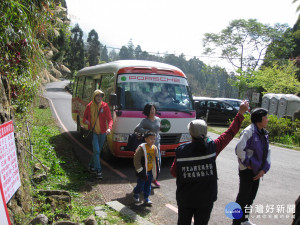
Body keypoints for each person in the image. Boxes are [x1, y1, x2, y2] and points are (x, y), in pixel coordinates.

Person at [170, 101, 249, 225]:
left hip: (185, 198)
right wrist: (240, 113)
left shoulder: (181, 151)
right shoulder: (213, 147)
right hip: (206, 199)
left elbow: (174, 172)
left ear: (190, 133)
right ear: (206, 133)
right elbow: (230, 133)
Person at [232, 108, 271, 225]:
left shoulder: (264, 133)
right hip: (247, 171)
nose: (267, 120)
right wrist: (248, 164)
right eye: (266, 117)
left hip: (258, 171)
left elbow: (268, 152)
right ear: (259, 119)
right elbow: (239, 149)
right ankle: (236, 221)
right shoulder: (249, 131)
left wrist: (263, 170)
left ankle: (244, 219)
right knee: (242, 198)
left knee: (251, 197)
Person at [83, 89, 113, 179]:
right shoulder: (89, 106)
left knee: (97, 151)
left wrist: (109, 128)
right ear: (94, 97)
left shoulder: (105, 106)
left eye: (101, 96)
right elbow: (84, 118)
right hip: (94, 132)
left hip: (103, 133)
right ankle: (98, 170)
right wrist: (86, 121)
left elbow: (110, 119)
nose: (99, 97)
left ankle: (91, 166)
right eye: (97, 96)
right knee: (96, 151)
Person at [134, 103, 161, 187]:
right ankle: (146, 179)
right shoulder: (145, 121)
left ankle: (154, 179)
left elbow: (158, 130)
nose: (152, 111)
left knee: (157, 163)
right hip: (148, 146)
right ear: (147, 111)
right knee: (148, 164)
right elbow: (137, 129)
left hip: (157, 145)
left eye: (153, 109)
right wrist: (147, 131)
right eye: (150, 109)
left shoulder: (158, 119)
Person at [133, 131, 160, 206]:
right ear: (146, 139)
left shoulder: (154, 148)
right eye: (151, 139)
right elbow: (136, 160)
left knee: (148, 185)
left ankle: (146, 198)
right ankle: (135, 192)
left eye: (154, 139)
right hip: (143, 171)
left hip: (150, 170)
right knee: (141, 185)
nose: (153, 140)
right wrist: (140, 170)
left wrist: (156, 169)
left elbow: (156, 159)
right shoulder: (141, 148)